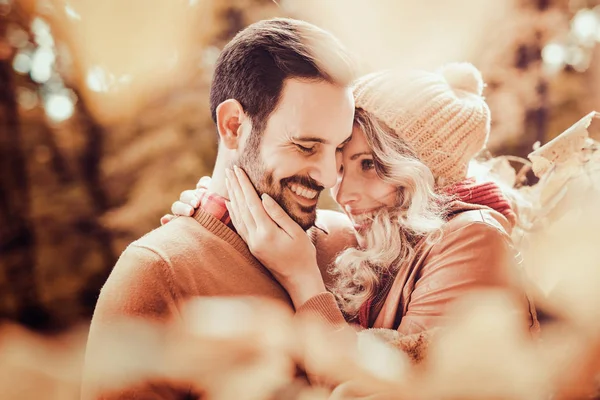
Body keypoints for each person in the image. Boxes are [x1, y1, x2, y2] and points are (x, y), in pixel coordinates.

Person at [82, 17, 357, 400]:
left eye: (339, 147)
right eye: (306, 146)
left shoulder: (349, 243)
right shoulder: (156, 271)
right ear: (232, 127)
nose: (329, 175)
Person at [165, 63, 539, 338]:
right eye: (340, 167)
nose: (342, 194)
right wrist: (217, 211)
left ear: (425, 172)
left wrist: (302, 279)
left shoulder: (475, 241)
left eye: (369, 165)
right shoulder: (385, 243)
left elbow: (391, 389)